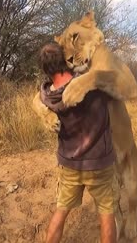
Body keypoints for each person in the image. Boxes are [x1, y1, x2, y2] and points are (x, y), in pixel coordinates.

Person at [37, 42, 120, 243]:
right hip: (100, 162)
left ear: (46, 70)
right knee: (107, 213)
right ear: (66, 59)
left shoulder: (47, 95)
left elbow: (39, 99)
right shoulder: (91, 84)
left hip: (69, 165)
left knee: (61, 210)